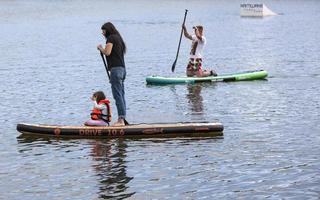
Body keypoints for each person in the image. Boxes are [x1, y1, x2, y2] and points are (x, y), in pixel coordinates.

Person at [97, 22, 127, 126]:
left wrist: (101, 48)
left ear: (108, 30)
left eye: (103, 31)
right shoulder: (118, 38)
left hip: (116, 70)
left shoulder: (111, 38)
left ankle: (121, 120)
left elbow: (107, 52)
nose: (102, 33)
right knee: (121, 95)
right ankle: (123, 118)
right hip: (122, 69)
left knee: (117, 95)